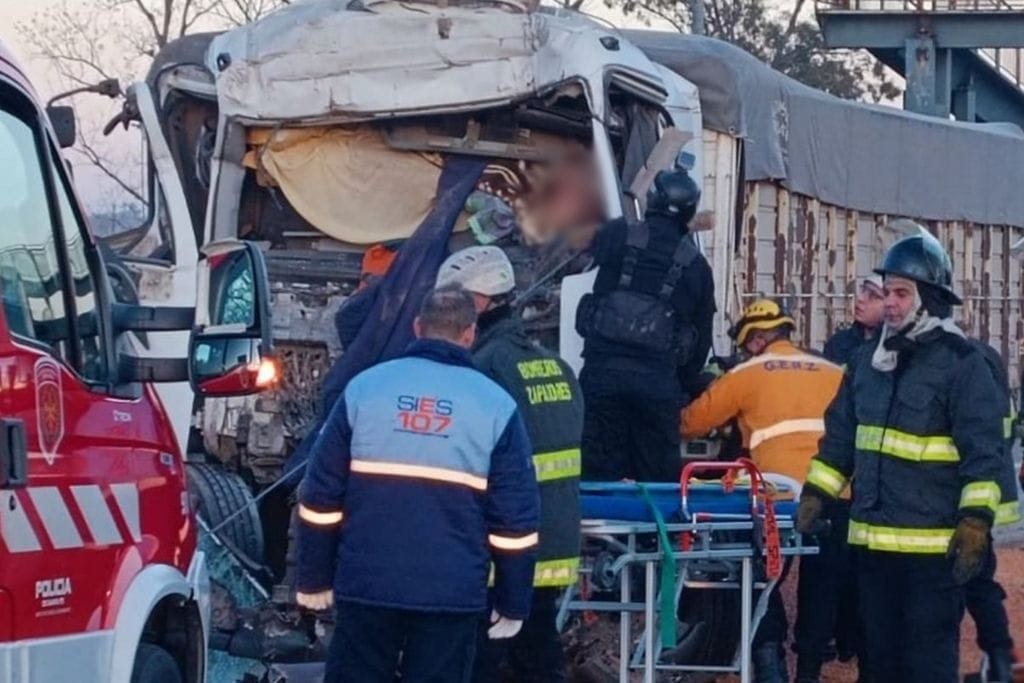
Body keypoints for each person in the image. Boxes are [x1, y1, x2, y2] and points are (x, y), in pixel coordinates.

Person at [294, 286, 541, 683]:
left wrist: (314, 577)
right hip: (452, 593)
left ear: (417, 326)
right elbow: (515, 522)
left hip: (367, 584)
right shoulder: (496, 406)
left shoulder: (364, 389)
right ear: (469, 334)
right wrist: (513, 601)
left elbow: (320, 496)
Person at [799, 229, 1008, 683]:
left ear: (929, 299)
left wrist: (975, 522)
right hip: (872, 549)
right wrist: (817, 493)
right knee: (878, 664)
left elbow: (984, 454)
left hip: (931, 555)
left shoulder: (962, 365)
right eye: (887, 292)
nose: (890, 303)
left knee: (926, 667)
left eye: (901, 293)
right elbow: (840, 438)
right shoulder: (865, 363)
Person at [436, 245, 584, 683]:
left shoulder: (481, 369)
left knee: (478, 663)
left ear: (480, 301)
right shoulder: (556, 367)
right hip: (551, 543)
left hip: (499, 548)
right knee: (537, 656)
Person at [680, 298, 844, 683]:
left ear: (755, 341)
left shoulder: (748, 372)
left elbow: (691, 423)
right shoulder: (833, 371)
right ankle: (809, 672)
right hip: (836, 490)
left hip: (778, 495)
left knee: (758, 575)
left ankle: (770, 663)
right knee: (823, 583)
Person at [577, 167, 715, 482]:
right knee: (657, 482)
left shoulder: (617, 234)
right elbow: (700, 341)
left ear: (652, 200)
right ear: (689, 212)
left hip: (602, 377)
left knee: (598, 476)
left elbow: (577, 261)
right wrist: (681, 383)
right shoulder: (696, 266)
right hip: (657, 385)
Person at [823, 274, 885, 366]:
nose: (860, 299)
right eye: (863, 290)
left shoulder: (894, 349)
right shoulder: (838, 343)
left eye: (873, 296)